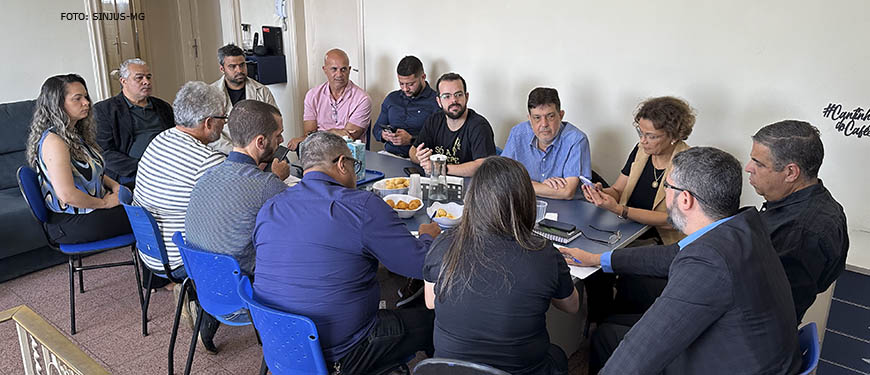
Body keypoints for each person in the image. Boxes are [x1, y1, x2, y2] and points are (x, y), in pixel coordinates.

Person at [563, 147, 803, 374]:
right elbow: (673, 254)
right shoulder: (744, 226)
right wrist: (597, 259)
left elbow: (643, 347)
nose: (666, 192)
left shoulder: (709, 265)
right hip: (758, 353)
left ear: (685, 199)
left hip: (732, 364)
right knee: (613, 325)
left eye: (668, 186)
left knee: (610, 339)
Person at [254, 132, 441, 374]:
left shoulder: (271, 206)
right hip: (343, 351)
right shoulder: (361, 205)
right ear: (342, 164)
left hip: (281, 343)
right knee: (435, 319)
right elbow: (421, 264)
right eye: (355, 164)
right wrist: (428, 236)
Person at [423, 156, 579, 375]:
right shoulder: (544, 254)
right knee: (557, 355)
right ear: (526, 202)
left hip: (448, 370)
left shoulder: (444, 243)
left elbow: (431, 302)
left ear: (473, 198)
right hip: (521, 370)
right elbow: (572, 306)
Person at [581, 96, 695, 323]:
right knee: (591, 267)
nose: (643, 141)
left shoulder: (687, 162)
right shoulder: (641, 152)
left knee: (603, 264)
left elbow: (673, 220)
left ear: (673, 135)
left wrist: (620, 210)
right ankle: (598, 325)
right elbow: (617, 188)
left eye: (651, 136)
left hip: (661, 242)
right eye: (640, 133)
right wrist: (602, 193)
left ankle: (611, 327)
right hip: (624, 231)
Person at [133, 81, 227, 352]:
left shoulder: (159, 140)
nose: (224, 125)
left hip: (151, 251)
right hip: (180, 257)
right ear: (209, 123)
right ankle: (211, 307)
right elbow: (230, 215)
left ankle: (194, 293)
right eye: (223, 118)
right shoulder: (206, 160)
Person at [186, 100, 290, 275]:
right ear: (261, 142)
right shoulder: (267, 185)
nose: (281, 140)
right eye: (278, 135)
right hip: (244, 285)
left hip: (202, 279)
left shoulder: (206, 176)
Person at [25, 74, 132, 244]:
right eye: (77, 99)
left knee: (142, 193)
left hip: (89, 209)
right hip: (71, 222)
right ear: (58, 105)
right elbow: (67, 195)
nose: (86, 103)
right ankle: (163, 267)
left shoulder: (73, 134)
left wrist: (116, 186)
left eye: (86, 96)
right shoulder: (55, 141)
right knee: (148, 212)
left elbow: (92, 172)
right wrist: (105, 203)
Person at [94, 58, 174, 189]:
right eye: (139, 78)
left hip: (168, 168)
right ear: (123, 81)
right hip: (131, 173)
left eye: (148, 77)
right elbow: (104, 152)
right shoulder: (105, 110)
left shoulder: (163, 107)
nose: (146, 82)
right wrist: (144, 167)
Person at [501, 87, 591, 199]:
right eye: (537, 118)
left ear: (561, 115)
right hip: (527, 203)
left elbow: (567, 192)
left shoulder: (576, 140)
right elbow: (502, 178)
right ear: (529, 119)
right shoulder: (518, 134)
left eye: (550, 116)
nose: (544, 124)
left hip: (567, 208)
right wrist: (543, 187)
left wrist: (521, 184)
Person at [410, 73, 497, 177]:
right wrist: (421, 158)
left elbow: (483, 166)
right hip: (438, 183)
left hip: (470, 187)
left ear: (467, 97)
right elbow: (413, 151)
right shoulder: (434, 120)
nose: (454, 100)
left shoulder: (479, 126)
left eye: (458, 94)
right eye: (446, 96)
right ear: (439, 101)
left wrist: (440, 167)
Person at [287, 49, 372, 150]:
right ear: (325, 70)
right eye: (334, 69)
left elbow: (348, 138)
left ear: (349, 70)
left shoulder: (362, 99)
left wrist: (319, 134)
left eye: (343, 69)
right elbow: (308, 133)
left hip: (348, 154)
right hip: (318, 152)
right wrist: (335, 132)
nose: (339, 74)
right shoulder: (312, 95)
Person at [209, 43, 277, 154]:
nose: (239, 70)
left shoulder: (262, 91)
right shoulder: (211, 94)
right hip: (224, 153)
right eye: (232, 66)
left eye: (242, 65)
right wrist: (238, 154)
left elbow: (273, 125)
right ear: (222, 68)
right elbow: (211, 133)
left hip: (260, 152)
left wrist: (261, 154)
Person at [372, 55, 440, 158]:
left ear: (423, 77)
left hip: (419, 159)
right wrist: (383, 135)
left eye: (410, 84)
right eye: (401, 84)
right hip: (389, 155)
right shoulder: (392, 98)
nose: (405, 89)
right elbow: (376, 129)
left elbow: (440, 139)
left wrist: (411, 140)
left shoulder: (436, 102)